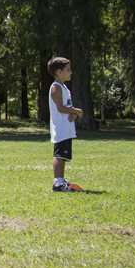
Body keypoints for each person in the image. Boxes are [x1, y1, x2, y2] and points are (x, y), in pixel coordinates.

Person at [48, 57, 83, 192]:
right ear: (59, 72)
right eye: (68, 70)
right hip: (60, 128)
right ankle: (57, 184)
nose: (70, 72)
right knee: (59, 155)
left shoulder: (64, 88)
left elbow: (66, 107)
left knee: (63, 156)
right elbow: (60, 108)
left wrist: (72, 114)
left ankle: (61, 180)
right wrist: (76, 111)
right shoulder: (56, 87)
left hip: (66, 127)